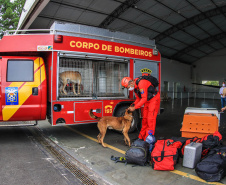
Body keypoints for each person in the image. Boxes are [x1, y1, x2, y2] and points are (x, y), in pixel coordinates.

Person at [121, 72, 160, 140]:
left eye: (128, 87)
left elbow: (144, 98)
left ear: (130, 83)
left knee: (150, 120)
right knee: (144, 119)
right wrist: (132, 105)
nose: (128, 89)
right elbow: (138, 99)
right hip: (147, 101)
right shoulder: (135, 88)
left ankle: (148, 139)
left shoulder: (141, 83)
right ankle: (141, 137)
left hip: (154, 100)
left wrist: (135, 107)